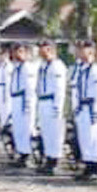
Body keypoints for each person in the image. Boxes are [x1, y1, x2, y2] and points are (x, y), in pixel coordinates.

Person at [72, 40, 97, 182]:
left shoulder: (95, 70)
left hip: (91, 107)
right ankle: (87, 165)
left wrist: (96, 111)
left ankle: (94, 167)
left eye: (82, 49)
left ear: (90, 52)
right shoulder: (81, 69)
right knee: (84, 138)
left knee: (92, 138)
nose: (79, 52)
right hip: (82, 107)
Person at [34, 39, 68, 176]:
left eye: (44, 48)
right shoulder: (43, 65)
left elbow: (60, 89)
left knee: (55, 134)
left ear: (51, 50)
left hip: (51, 101)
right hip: (43, 101)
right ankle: (48, 158)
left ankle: (54, 161)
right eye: (41, 48)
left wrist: (57, 107)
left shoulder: (57, 66)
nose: (41, 51)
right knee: (46, 133)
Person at [8, 44, 38, 168]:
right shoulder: (17, 67)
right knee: (18, 128)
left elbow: (30, 88)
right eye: (16, 51)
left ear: (27, 53)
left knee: (26, 128)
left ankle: (26, 155)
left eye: (21, 51)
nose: (17, 54)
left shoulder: (28, 68)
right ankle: (21, 153)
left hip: (23, 100)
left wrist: (28, 104)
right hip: (15, 99)